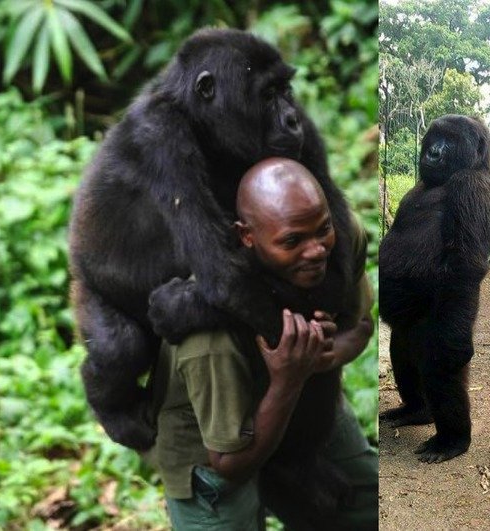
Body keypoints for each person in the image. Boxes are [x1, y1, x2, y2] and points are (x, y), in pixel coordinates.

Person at [144, 158, 377, 530]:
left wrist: (324, 355)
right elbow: (230, 464)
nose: (316, 250)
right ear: (246, 237)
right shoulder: (207, 335)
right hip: (213, 441)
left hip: (306, 401)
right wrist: (288, 379)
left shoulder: (343, 239)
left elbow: (361, 326)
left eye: (323, 230)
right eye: (292, 241)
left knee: (366, 508)